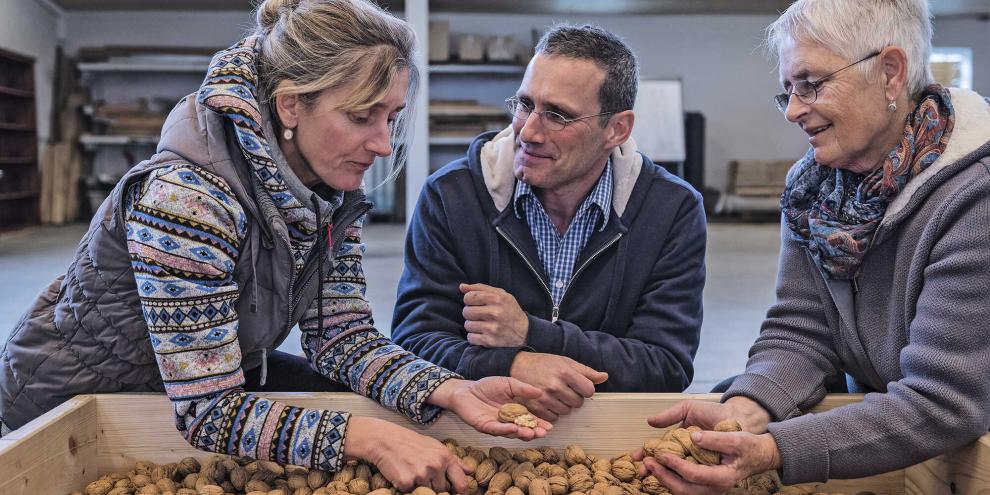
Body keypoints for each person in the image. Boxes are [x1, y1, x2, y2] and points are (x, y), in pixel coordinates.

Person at [0, 0, 551, 491]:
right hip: (76, 404)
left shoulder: (329, 188)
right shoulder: (186, 200)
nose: (384, 144)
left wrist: (449, 390)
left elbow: (343, 338)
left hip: (209, 379)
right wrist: (370, 439)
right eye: (362, 117)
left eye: (392, 117)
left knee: (336, 397)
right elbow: (205, 410)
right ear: (290, 107)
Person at [637, 0, 990, 493]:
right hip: (883, 432)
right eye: (787, 91)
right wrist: (747, 405)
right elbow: (802, 329)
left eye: (811, 84)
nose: (793, 111)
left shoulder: (974, 198)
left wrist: (778, 451)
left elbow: (945, 399)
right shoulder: (813, 188)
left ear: (890, 73)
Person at [392, 24, 706, 422]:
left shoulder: (671, 210)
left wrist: (531, 335)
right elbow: (412, 344)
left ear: (616, 129)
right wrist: (515, 365)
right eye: (525, 104)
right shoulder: (451, 197)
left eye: (558, 115)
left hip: (606, 436)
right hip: (477, 431)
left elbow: (664, 367)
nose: (529, 131)